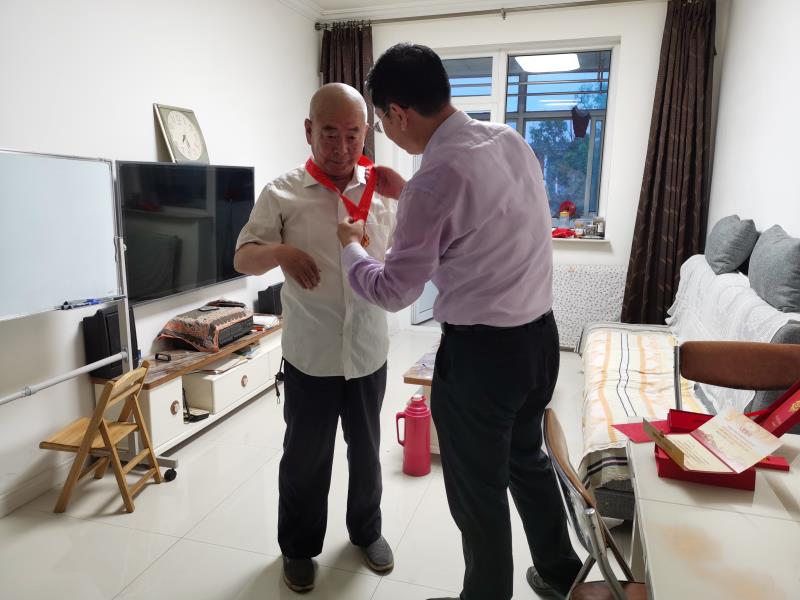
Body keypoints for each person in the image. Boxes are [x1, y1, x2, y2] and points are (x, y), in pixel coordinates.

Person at [337, 44, 582, 600]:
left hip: (482, 361)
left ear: (399, 113)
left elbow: (394, 290)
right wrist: (408, 195)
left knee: (478, 493)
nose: (383, 132)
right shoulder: (508, 140)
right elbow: (482, 217)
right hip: (540, 342)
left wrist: (351, 247)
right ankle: (561, 574)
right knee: (526, 459)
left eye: (380, 121)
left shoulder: (434, 179)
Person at [234, 82, 396, 593]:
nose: (341, 147)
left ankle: (367, 532)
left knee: (366, 452)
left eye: (352, 135)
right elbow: (242, 258)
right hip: (311, 355)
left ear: (365, 133)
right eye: (329, 133)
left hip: (368, 350)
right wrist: (280, 253)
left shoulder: (383, 190)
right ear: (309, 130)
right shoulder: (282, 193)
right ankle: (299, 549)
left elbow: (409, 252)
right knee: (305, 459)